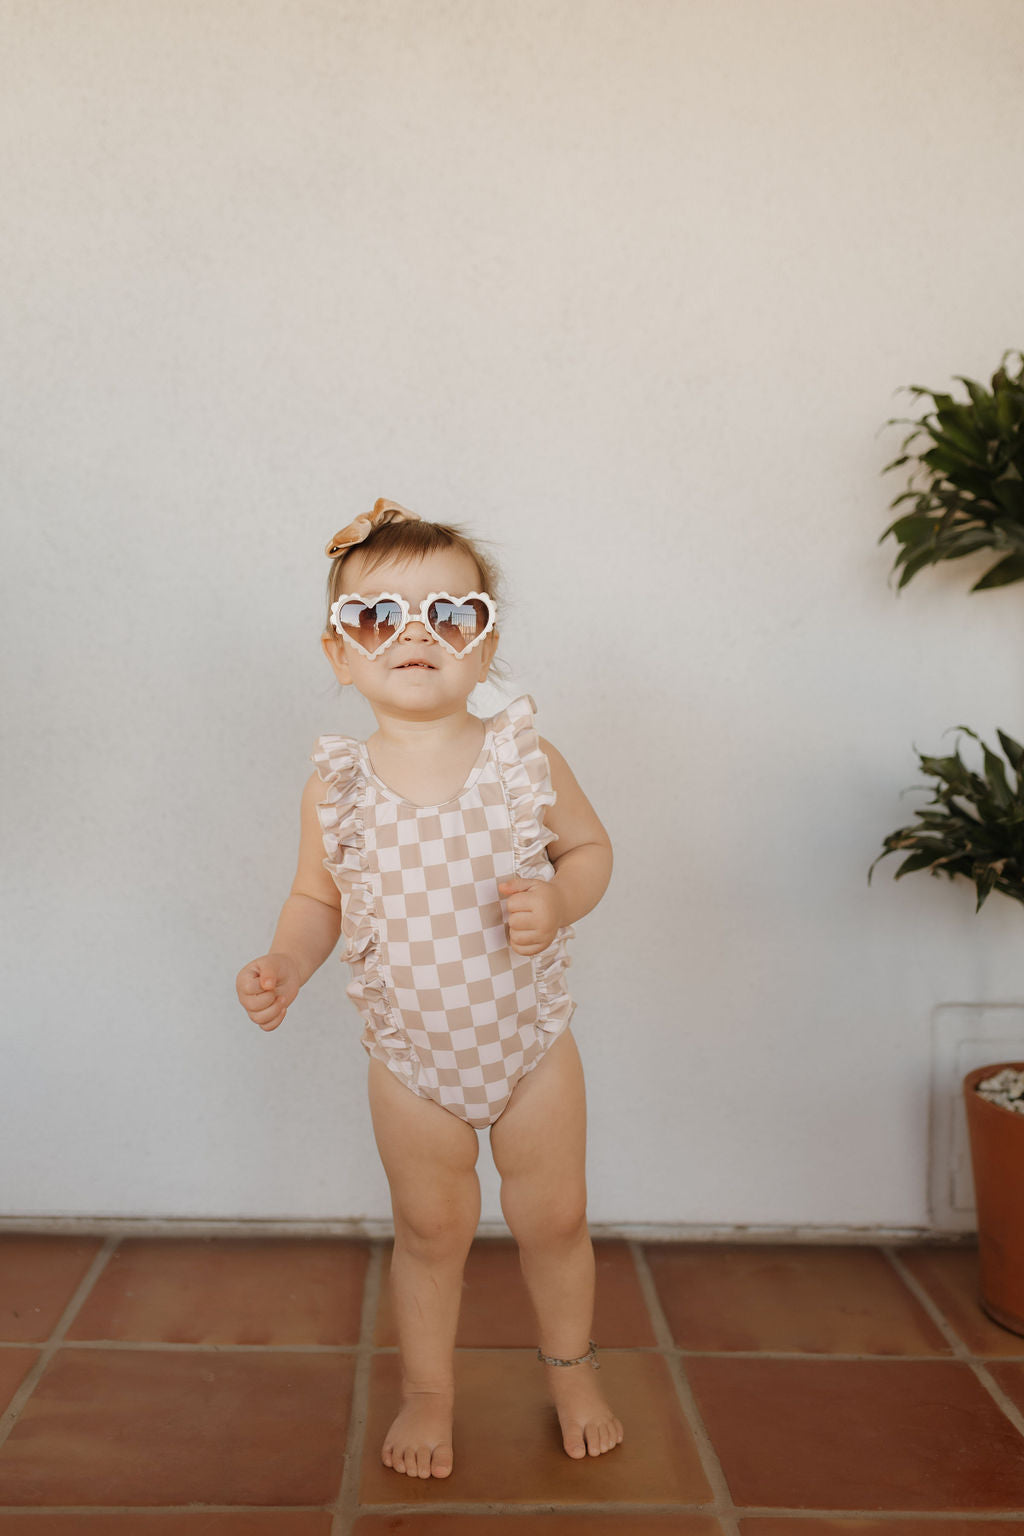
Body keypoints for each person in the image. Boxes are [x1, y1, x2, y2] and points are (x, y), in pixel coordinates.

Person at [236, 498, 622, 1479]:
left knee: (555, 1217)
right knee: (429, 1230)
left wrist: (561, 900)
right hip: (411, 1061)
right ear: (339, 655)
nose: (415, 635)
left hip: (531, 1044)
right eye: (377, 618)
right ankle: (428, 1395)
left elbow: (588, 848)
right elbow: (314, 898)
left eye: (451, 614)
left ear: (485, 648)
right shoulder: (338, 786)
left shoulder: (524, 759)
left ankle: (572, 1370)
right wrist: (286, 961)